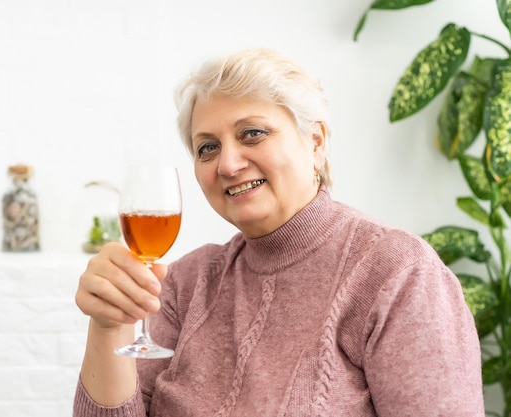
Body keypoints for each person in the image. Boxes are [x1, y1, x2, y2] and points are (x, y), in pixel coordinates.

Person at [72, 48, 485, 416]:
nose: (228, 164)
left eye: (253, 133)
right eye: (207, 147)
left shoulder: (397, 273)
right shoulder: (184, 282)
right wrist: (108, 326)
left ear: (316, 142)